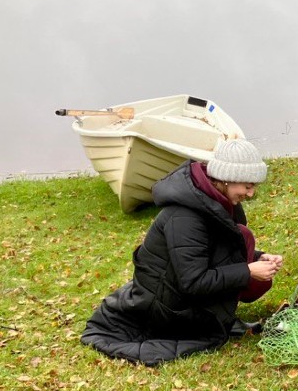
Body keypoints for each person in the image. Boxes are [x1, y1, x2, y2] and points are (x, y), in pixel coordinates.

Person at [81, 139, 283, 365]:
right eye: (247, 186)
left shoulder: (217, 201)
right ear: (226, 178)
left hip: (180, 292)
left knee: (244, 236)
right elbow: (193, 282)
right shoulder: (185, 217)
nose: (251, 193)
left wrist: (257, 258)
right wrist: (247, 271)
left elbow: (216, 250)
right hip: (167, 308)